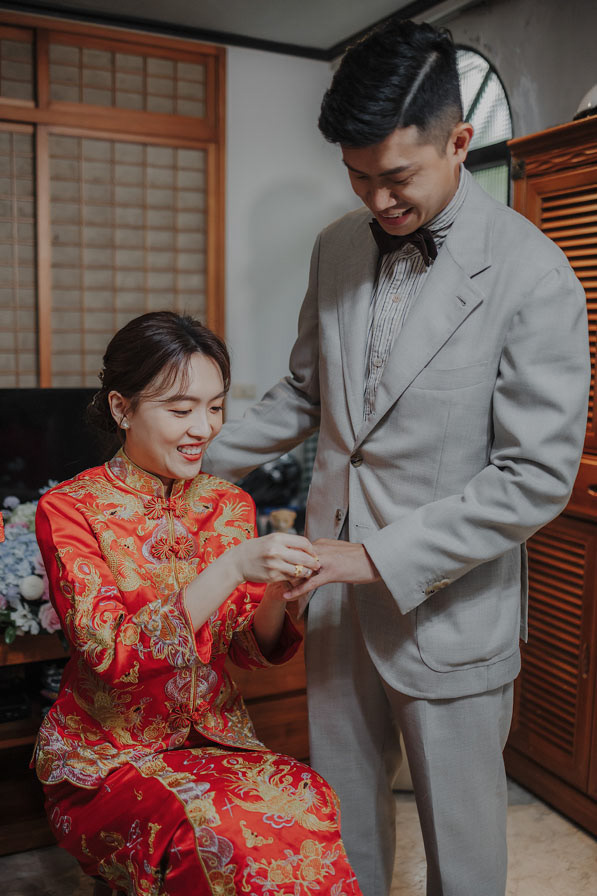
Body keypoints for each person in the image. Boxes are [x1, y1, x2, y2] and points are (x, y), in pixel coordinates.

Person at [202, 17, 591, 896]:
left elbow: (534, 477)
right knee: (341, 822)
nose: (377, 200)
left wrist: (373, 556)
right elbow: (306, 393)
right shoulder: (336, 248)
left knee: (461, 847)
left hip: (449, 604)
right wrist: (189, 458)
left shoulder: (534, 275)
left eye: (397, 177)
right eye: (357, 175)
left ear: (458, 142)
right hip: (333, 600)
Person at [32, 311, 362, 896]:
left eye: (215, 407)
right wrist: (230, 568)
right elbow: (111, 654)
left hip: (216, 739)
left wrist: (278, 590)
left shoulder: (229, 505)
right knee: (215, 831)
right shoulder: (71, 509)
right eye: (181, 410)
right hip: (106, 758)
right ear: (122, 409)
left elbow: (251, 651)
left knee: (309, 796)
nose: (203, 429)